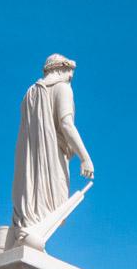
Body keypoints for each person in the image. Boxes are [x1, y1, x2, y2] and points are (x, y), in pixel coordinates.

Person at [11, 55, 94, 242]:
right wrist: (85, 157)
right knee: (51, 209)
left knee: (33, 205)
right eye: (70, 76)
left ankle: (27, 233)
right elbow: (66, 124)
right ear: (60, 70)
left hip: (28, 164)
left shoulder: (29, 93)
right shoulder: (62, 88)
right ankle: (31, 239)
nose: (70, 80)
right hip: (50, 158)